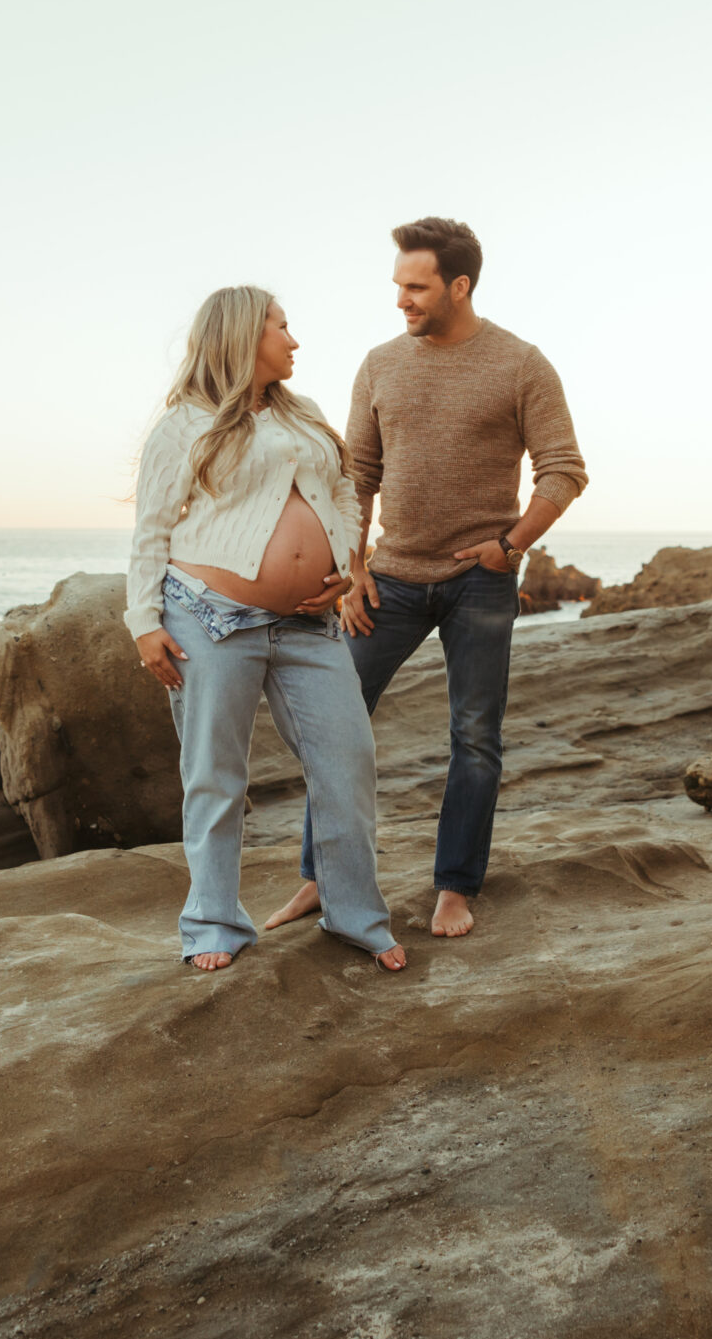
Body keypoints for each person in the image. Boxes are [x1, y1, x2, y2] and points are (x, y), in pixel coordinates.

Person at [266, 217, 588, 941]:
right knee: (335, 726)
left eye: (416, 287)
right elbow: (359, 475)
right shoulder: (381, 363)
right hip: (390, 580)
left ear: (459, 285)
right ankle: (321, 878)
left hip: (481, 582)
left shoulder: (520, 363)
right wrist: (351, 569)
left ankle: (454, 887)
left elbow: (564, 471)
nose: (402, 300)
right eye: (398, 286)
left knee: (475, 736)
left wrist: (509, 545)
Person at [124, 286, 406, 974]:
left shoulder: (302, 413)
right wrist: (144, 622)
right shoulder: (184, 422)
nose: (294, 340)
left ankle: (355, 915)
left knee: (348, 761)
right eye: (282, 326)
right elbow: (152, 527)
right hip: (208, 615)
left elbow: (343, 487)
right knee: (216, 775)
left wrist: (345, 561)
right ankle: (213, 922)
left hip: (309, 622)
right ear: (245, 335)